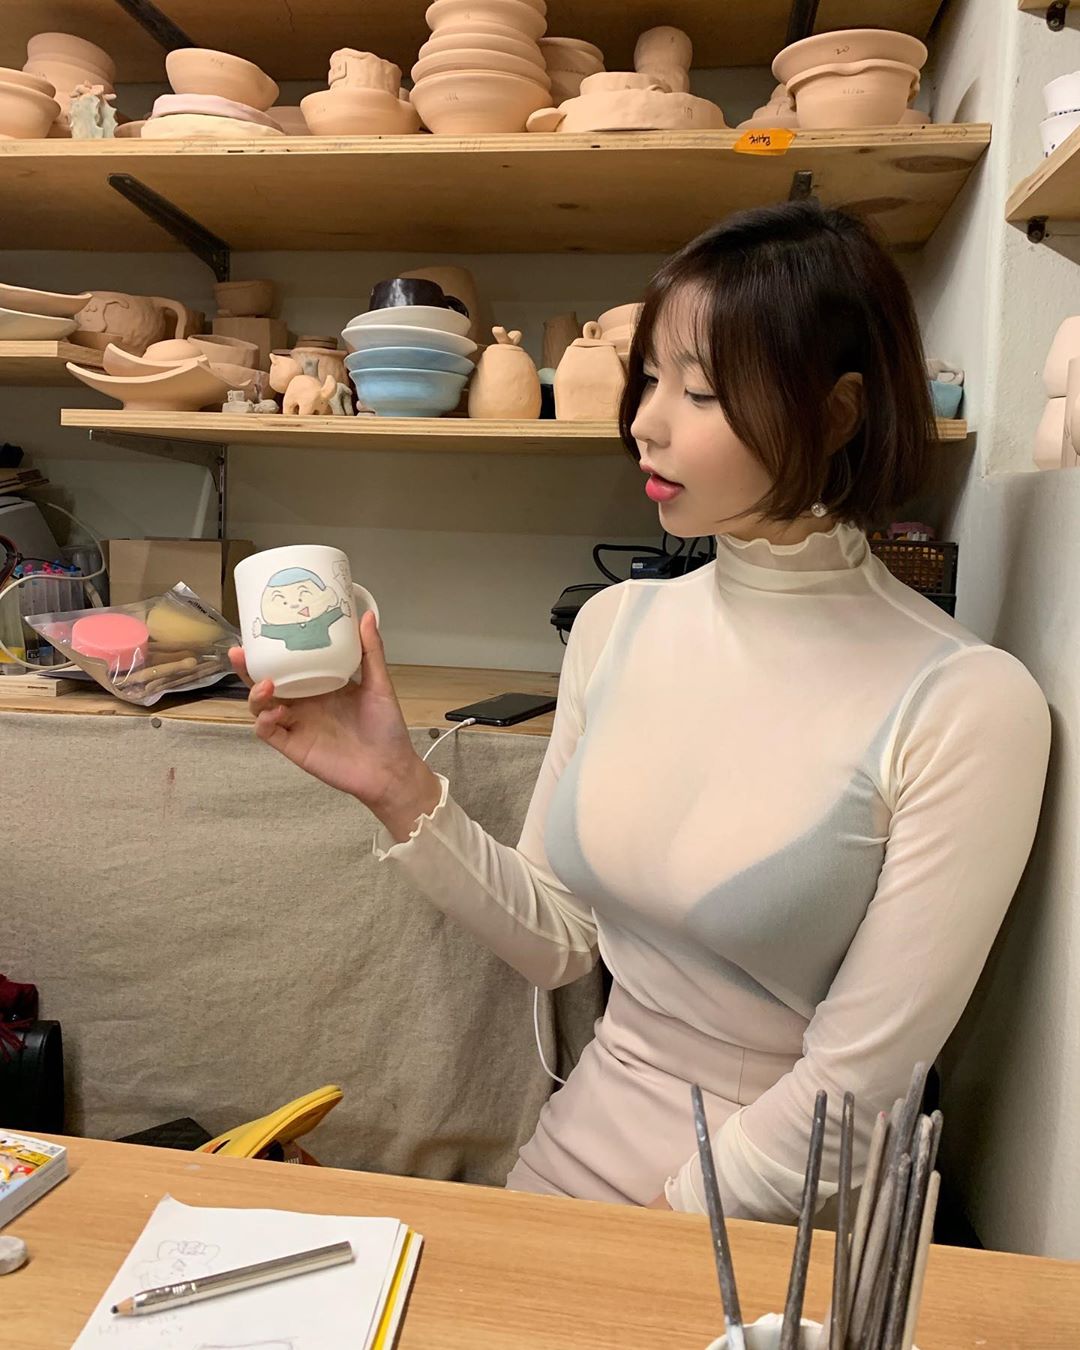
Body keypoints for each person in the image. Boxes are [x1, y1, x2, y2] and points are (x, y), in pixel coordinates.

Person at [230, 202, 1050, 1222]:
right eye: (649, 378)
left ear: (837, 413)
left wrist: (654, 1234)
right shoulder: (616, 624)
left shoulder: (968, 703)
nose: (645, 423)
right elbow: (559, 939)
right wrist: (396, 785)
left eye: (699, 391)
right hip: (580, 1146)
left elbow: (863, 1082)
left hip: (783, 1212)